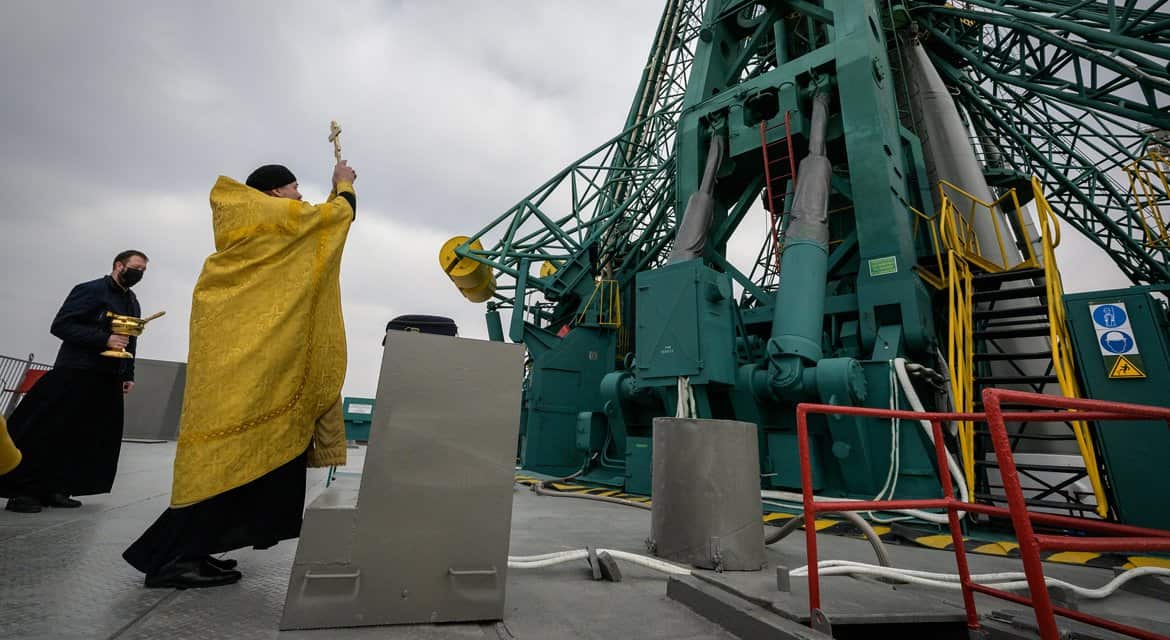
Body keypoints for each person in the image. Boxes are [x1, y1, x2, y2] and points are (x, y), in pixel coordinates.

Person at [123, 161, 356, 589]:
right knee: (227, 459)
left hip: (245, 365)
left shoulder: (259, 222)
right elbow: (335, 217)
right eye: (294, 188)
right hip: (252, 366)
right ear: (274, 193)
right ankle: (172, 558)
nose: (300, 196)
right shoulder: (273, 216)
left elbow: (318, 223)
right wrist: (343, 185)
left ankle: (197, 549)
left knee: (240, 458)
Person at [0, 251, 148, 512]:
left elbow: (130, 340)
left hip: (108, 378)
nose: (140, 274)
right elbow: (61, 325)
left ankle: (57, 488)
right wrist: (104, 339)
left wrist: (128, 374)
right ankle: (23, 491)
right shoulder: (90, 290)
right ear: (119, 265)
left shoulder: (132, 302)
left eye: (143, 271)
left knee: (82, 437)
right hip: (75, 371)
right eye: (136, 267)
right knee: (46, 430)